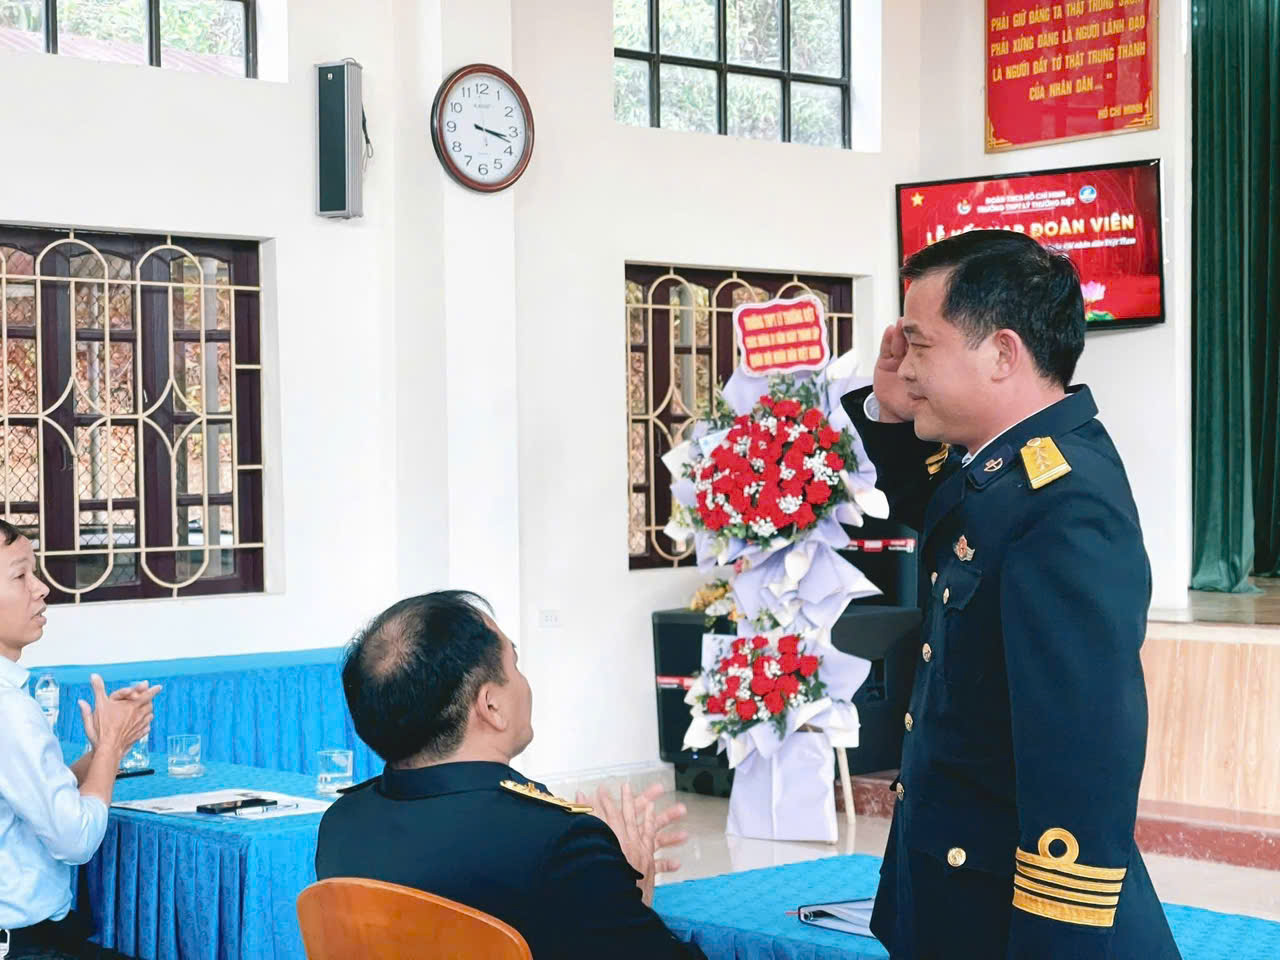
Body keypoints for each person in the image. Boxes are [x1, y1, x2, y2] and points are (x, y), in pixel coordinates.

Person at [841, 230, 1180, 959]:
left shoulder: (1065, 504)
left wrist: (1054, 941)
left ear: (1002, 353)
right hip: (955, 896)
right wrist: (893, 412)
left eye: (920, 346)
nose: (907, 366)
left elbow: (1081, 758)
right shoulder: (1007, 469)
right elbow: (947, 519)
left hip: (1010, 920)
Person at [315, 590, 704, 959]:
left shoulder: (342, 824)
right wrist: (632, 887)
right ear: (491, 706)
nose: (523, 681)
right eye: (514, 664)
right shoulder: (556, 842)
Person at [0, 519, 162, 958]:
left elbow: (28, 796)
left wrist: (107, 748)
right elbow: (76, 839)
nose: (40, 589)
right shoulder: (9, 710)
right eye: (20, 575)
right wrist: (108, 749)